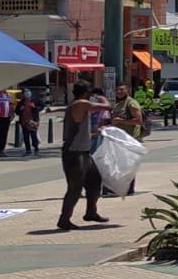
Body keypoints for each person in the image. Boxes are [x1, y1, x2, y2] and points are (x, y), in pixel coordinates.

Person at [59, 81, 110, 230]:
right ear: (86, 92)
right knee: (75, 187)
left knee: (95, 180)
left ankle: (91, 212)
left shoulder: (81, 105)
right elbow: (107, 106)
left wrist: (94, 133)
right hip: (74, 153)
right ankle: (64, 219)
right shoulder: (80, 103)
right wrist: (100, 96)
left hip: (84, 152)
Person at [110, 83, 145, 196]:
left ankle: (128, 189)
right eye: (117, 90)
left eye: (121, 90)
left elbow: (138, 120)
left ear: (127, 91)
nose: (119, 92)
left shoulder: (131, 103)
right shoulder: (118, 104)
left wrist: (120, 121)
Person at [17, 89, 40, 156]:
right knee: (26, 136)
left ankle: (36, 148)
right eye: (25, 93)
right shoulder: (21, 102)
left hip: (33, 121)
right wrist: (20, 110)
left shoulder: (35, 100)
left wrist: (35, 107)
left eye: (28, 92)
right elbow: (17, 111)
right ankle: (28, 150)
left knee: (34, 135)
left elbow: (41, 106)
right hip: (24, 121)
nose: (27, 94)